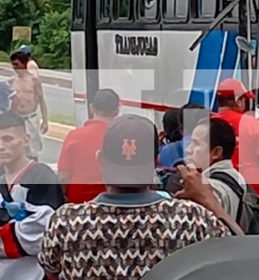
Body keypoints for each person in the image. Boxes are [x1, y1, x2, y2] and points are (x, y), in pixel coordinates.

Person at [38, 114, 241, 280]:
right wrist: (211, 202)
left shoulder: (65, 222)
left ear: (100, 160)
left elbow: (51, 272)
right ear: (155, 162)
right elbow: (242, 256)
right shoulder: (192, 219)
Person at [0, 111, 64, 280]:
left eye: (8, 139)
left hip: (35, 274)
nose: (1, 146)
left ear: (26, 140)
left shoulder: (42, 177)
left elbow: (41, 231)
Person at [216, 78, 259, 205]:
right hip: (251, 188)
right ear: (238, 101)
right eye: (245, 99)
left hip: (217, 186)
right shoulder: (252, 123)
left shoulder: (208, 125)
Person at [57, 89, 120, 203]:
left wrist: (63, 197)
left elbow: (64, 177)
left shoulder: (74, 137)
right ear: (116, 111)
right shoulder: (121, 138)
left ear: (92, 108)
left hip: (78, 201)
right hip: (112, 202)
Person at [186, 116, 247, 221]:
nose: (188, 150)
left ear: (216, 152)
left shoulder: (207, 189)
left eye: (196, 144)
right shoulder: (237, 177)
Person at [8, 51, 48, 161]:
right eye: (13, 64)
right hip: (17, 119)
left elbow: (41, 100)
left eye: (16, 64)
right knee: (18, 147)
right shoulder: (12, 81)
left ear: (24, 63)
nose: (14, 67)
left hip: (31, 118)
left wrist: (45, 121)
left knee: (32, 149)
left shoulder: (34, 80)